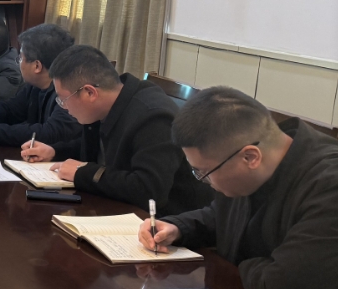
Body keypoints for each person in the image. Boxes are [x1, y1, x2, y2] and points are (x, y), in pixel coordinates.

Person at [138, 87, 338, 289]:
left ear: (250, 157)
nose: (203, 181)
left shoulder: (329, 186)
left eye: (203, 172)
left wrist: (241, 262)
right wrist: (178, 227)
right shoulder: (252, 164)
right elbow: (222, 216)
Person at [20, 44, 211, 213]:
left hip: (164, 224)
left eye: (63, 99)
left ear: (89, 93)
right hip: (116, 206)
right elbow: (101, 148)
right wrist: (55, 151)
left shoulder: (153, 117)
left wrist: (83, 173)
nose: (63, 107)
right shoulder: (107, 104)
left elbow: (149, 191)